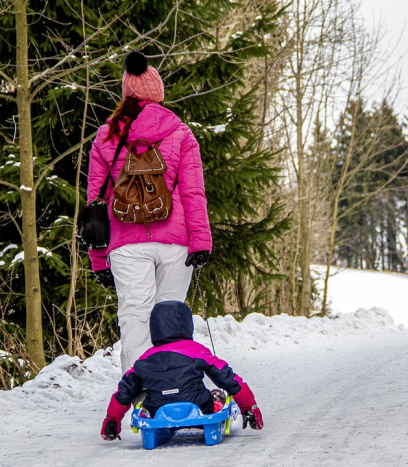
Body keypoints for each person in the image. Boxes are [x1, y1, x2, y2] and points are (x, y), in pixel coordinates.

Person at [87, 50, 212, 373]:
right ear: (158, 93)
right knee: (169, 316)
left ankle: (138, 389)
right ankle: (172, 389)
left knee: (134, 315)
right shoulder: (181, 133)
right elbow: (193, 193)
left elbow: (96, 204)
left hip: (126, 243)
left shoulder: (107, 136)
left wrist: (98, 259)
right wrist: (201, 242)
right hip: (176, 242)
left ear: (126, 92)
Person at [101, 301, 264, 441]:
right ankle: (214, 410)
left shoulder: (144, 359)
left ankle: (155, 426)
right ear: (187, 325)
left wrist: (112, 420)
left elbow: (124, 391)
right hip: (200, 407)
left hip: (157, 409)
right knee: (216, 394)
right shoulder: (197, 351)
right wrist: (250, 407)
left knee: (145, 399)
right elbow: (229, 379)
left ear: (154, 327)